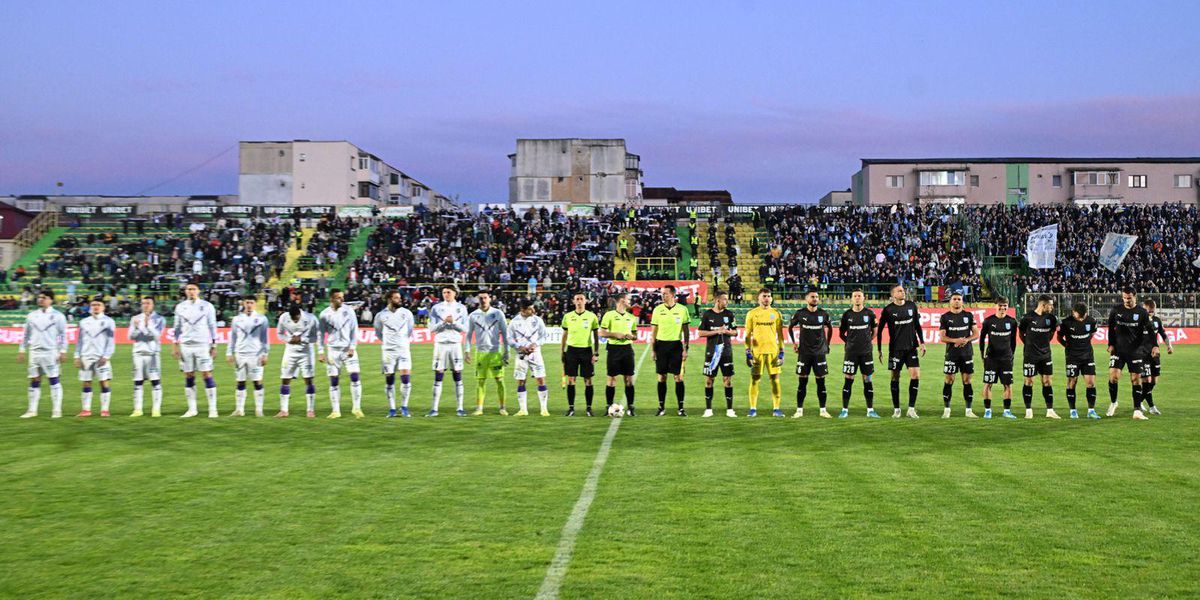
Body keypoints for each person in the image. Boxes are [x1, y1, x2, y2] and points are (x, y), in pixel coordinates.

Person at [877, 285, 926, 418]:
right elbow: (880, 330)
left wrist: (922, 342)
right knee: (895, 377)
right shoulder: (888, 310)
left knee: (915, 375)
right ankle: (897, 409)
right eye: (899, 291)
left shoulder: (911, 306)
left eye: (903, 290)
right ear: (893, 295)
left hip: (911, 348)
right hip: (895, 349)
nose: (902, 292)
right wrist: (879, 349)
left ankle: (911, 408)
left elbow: (917, 325)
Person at [18, 291, 68, 418]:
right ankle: (32, 410)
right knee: (34, 379)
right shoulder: (31, 315)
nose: (40, 299)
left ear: (51, 300)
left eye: (44, 297)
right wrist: (22, 350)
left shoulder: (58, 316)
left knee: (54, 379)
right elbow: (26, 335)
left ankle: (56, 410)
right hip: (34, 352)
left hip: (50, 351)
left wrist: (63, 351)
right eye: (39, 297)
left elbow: (63, 335)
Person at [173, 282, 219, 418]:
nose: (191, 291)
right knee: (188, 375)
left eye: (193, 289)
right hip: (186, 345)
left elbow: (212, 325)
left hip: (202, 345)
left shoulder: (207, 306)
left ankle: (213, 409)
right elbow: (177, 328)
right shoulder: (180, 307)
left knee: (206, 374)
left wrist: (214, 345)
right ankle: (192, 409)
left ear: (198, 291)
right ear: (185, 291)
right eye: (188, 289)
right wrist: (175, 345)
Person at [1106, 288, 1153, 419]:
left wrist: (1155, 346)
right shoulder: (1116, 310)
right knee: (1113, 377)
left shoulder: (1142, 312)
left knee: (1135, 379)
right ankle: (1114, 402)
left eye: (1129, 297)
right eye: (1125, 297)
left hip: (1135, 351)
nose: (1127, 300)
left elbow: (1150, 330)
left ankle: (1137, 410)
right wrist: (1110, 344)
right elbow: (1110, 328)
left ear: (1135, 297)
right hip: (1118, 350)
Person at [789, 289, 833, 418]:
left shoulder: (823, 314)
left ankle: (823, 410)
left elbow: (830, 328)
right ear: (806, 299)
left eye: (817, 297)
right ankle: (799, 410)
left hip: (819, 353)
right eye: (812, 297)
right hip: (804, 352)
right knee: (802, 382)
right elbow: (790, 327)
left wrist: (827, 344)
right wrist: (794, 343)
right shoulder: (800, 313)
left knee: (821, 382)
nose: (815, 299)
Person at [318, 289, 362, 419]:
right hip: (332, 351)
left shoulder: (349, 311)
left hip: (348, 350)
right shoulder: (324, 314)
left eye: (342, 297)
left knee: (355, 376)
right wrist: (320, 352)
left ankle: (356, 408)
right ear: (331, 299)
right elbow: (321, 334)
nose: (342, 300)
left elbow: (355, 330)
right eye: (338, 298)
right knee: (334, 380)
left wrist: (353, 347)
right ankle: (335, 411)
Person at [465, 291, 509, 415]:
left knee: (499, 380)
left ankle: (502, 407)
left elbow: (505, 334)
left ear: (490, 298)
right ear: (478, 300)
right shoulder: (473, 315)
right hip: (481, 353)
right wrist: (467, 351)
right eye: (481, 298)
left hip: (495, 352)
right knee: (480, 381)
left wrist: (507, 352)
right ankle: (479, 408)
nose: (483, 300)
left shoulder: (498, 313)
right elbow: (468, 335)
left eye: (485, 297)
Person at [428, 285, 469, 417]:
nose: (446, 294)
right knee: (438, 375)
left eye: (448, 292)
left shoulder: (461, 308)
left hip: (455, 344)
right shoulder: (436, 308)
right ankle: (434, 409)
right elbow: (431, 329)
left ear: (455, 293)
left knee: (457, 375)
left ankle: (460, 408)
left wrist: (453, 323)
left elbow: (465, 328)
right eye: (444, 292)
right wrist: (444, 323)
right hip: (440, 344)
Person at [650, 284, 690, 416]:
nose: (663, 295)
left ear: (673, 294)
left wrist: (685, 348)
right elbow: (653, 332)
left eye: (665, 293)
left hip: (676, 346)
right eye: (662, 293)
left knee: (678, 377)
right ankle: (661, 407)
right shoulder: (657, 310)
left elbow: (686, 331)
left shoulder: (682, 309)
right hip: (661, 346)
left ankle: (681, 408)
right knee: (661, 377)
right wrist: (653, 350)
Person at [225, 296, 269, 417]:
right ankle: (239, 410)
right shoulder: (236, 319)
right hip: (240, 354)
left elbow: (265, 338)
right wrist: (229, 353)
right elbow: (233, 338)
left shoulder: (261, 319)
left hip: (256, 355)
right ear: (244, 303)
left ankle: (259, 410)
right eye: (247, 302)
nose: (249, 305)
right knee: (240, 382)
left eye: (251, 302)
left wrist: (265, 354)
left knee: (257, 382)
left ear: (255, 304)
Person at [744, 287, 784, 417]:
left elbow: (780, 335)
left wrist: (782, 352)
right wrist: (748, 352)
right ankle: (753, 409)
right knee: (755, 380)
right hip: (757, 352)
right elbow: (747, 335)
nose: (767, 298)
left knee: (775, 380)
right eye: (764, 296)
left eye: (769, 296)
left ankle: (776, 409)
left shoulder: (776, 313)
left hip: (773, 352)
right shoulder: (752, 313)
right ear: (759, 298)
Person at [374, 289, 415, 418]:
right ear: (390, 299)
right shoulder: (381, 315)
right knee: (390, 380)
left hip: (403, 350)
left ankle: (404, 407)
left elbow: (409, 330)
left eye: (399, 297)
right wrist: (389, 343)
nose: (400, 300)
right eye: (397, 298)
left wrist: (401, 342)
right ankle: (392, 408)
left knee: (406, 379)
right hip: (388, 352)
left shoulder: (406, 313)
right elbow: (378, 332)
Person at [838, 288, 878, 418]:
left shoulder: (870, 314)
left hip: (866, 352)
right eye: (854, 296)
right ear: (851, 298)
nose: (857, 298)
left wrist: (868, 341)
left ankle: (870, 410)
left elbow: (875, 331)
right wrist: (849, 342)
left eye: (859, 296)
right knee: (848, 380)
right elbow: (841, 333)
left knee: (867, 380)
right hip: (851, 353)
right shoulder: (847, 315)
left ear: (863, 298)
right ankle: (844, 410)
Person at [1018, 294, 1060, 419]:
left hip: (1045, 355)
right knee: (1029, 381)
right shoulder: (1028, 317)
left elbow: (1052, 334)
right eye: (1050, 305)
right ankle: (1028, 410)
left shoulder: (1051, 318)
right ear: (1043, 305)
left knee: (1047, 381)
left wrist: (1043, 345)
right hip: (1030, 355)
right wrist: (1029, 345)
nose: (1052, 307)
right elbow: (1021, 334)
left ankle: (1050, 410)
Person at [938, 292, 979, 418]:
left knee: (967, 380)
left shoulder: (968, 315)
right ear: (950, 301)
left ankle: (968, 411)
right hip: (951, 354)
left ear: (962, 302)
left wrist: (966, 340)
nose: (957, 301)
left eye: (959, 299)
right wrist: (956, 341)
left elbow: (976, 333)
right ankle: (947, 410)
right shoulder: (945, 317)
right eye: (954, 299)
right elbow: (942, 337)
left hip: (966, 353)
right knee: (949, 380)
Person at [1057, 302, 1100, 419]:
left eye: (1083, 316)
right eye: (1078, 316)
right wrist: (1067, 346)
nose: (1081, 318)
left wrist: (1084, 343)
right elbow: (1059, 337)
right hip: (1072, 357)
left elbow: (1092, 334)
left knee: (1090, 383)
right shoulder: (1066, 322)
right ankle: (1072, 410)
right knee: (1072, 382)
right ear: (1073, 312)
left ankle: (1091, 410)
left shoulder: (1091, 321)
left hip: (1087, 356)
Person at [697, 290, 736, 418]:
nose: (727, 301)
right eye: (725, 299)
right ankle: (708, 409)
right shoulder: (707, 315)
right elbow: (701, 333)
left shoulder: (729, 314)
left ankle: (730, 410)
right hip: (712, 353)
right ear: (717, 300)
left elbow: (735, 332)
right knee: (709, 380)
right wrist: (717, 332)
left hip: (726, 352)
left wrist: (726, 331)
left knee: (727, 380)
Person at [74, 299, 116, 417]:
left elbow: (111, 341)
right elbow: (80, 341)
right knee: (86, 383)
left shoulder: (109, 322)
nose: (95, 307)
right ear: (90, 307)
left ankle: (105, 410)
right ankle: (86, 410)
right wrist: (77, 356)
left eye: (98, 305)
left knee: (104, 382)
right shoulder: (84, 322)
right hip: (86, 356)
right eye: (93, 305)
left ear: (103, 307)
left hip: (101, 357)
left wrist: (107, 356)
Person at [560, 292, 600, 416]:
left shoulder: (592, 316)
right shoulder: (568, 316)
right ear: (573, 301)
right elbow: (564, 335)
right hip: (571, 350)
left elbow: (596, 335)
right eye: (577, 299)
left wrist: (596, 352)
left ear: (585, 301)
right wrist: (562, 351)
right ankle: (571, 408)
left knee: (588, 380)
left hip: (586, 351)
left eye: (581, 299)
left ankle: (589, 408)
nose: (579, 301)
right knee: (571, 379)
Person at [509, 299, 550, 416]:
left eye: (533, 308)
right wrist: (519, 346)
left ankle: (544, 409)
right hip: (521, 355)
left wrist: (535, 344)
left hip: (535, 354)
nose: (533, 310)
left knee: (541, 379)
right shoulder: (514, 322)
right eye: (530, 309)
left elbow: (544, 336)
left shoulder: (538, 320)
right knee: (521, 380)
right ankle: (523, 410)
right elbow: (509, 338)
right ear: (522, 310)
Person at [599, 292, 638, 416]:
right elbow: (601, 333)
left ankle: (631, 407)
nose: (630, 301)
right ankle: (609, 407)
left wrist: (632, 336)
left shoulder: (631, 317)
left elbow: (635, 335)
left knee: (629, 379)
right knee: (611, 379)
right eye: (629, 299)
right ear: (621, 300)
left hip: (627, 349)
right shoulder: (609, 315)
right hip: (613, 349)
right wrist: (616, 334)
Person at [277, 304, 319, 417]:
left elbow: (316, 337)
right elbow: (279, 334)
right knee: (285, 379)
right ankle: (284, 410)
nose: (295, 321)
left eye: (296, 318)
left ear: (300, 314)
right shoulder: (284, 318)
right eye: (293, 319)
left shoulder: (311, 319)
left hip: (306, 352)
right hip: (290, 352)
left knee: (308, 380)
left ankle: (310, 410)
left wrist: (302, 339)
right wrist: (289, 340)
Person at [979, 297, 1019, 419]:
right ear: (995, 306)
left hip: (1006, 358)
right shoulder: (988, 321)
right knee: (988, 383)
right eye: (1000, 306)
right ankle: (987, 410)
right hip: (991, 358)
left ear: (1007, 306)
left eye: (1005, 306)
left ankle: (1007, 411)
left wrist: (1012, 355)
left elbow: (1013, 341)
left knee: (1008, 384)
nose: (1002, 308)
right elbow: (981, 340)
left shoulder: (1012, 322)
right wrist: (982, 356)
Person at [129, 297, 166, 417]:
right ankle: (137, 410)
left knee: (155, 382)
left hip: (153, 354)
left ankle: (156, 410)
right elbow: (130, 337)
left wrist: (146, 325)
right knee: (138, 382)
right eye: (143, 303)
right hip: (138, 354)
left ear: (153, 305)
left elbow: (156, 336)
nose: (145, 305)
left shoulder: (159, 319)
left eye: (148, 303)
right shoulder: (135, 318)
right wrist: (136, 327)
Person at [1138, 299, 1173, 415]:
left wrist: (1169, 346)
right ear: (1144, 309)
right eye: (1149, 312)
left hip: (1155, 354)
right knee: (1146, 380)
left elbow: (1163, 334)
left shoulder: (1157, 321)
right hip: (1142, 354)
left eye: (1152, 312)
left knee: (1154, 381)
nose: (1151, 314)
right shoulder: (1138, 321)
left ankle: (1139, 401)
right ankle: (1152, 406)